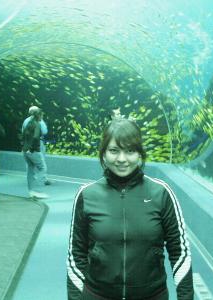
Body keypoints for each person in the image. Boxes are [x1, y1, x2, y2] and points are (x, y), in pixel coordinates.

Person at [67, 118, 194, 300]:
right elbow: (75, 255)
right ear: (103, 153)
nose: (121, 159)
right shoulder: (86, 195)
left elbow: (180, 252)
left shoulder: (162, 193)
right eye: (113, 151)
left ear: (140, 154)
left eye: (130, 151)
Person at [22, 107, 49, 199]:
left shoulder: (28, 122)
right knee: (42, 168)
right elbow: (36, 137)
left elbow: (23, 135)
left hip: (25, 150)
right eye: (42, 115)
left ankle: (31, 191)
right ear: (39, 115)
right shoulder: (37, 124)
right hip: (33, 150)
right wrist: (33, 149)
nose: (43, 117)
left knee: (30, 169)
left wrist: (26, 147)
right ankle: (38, 191)